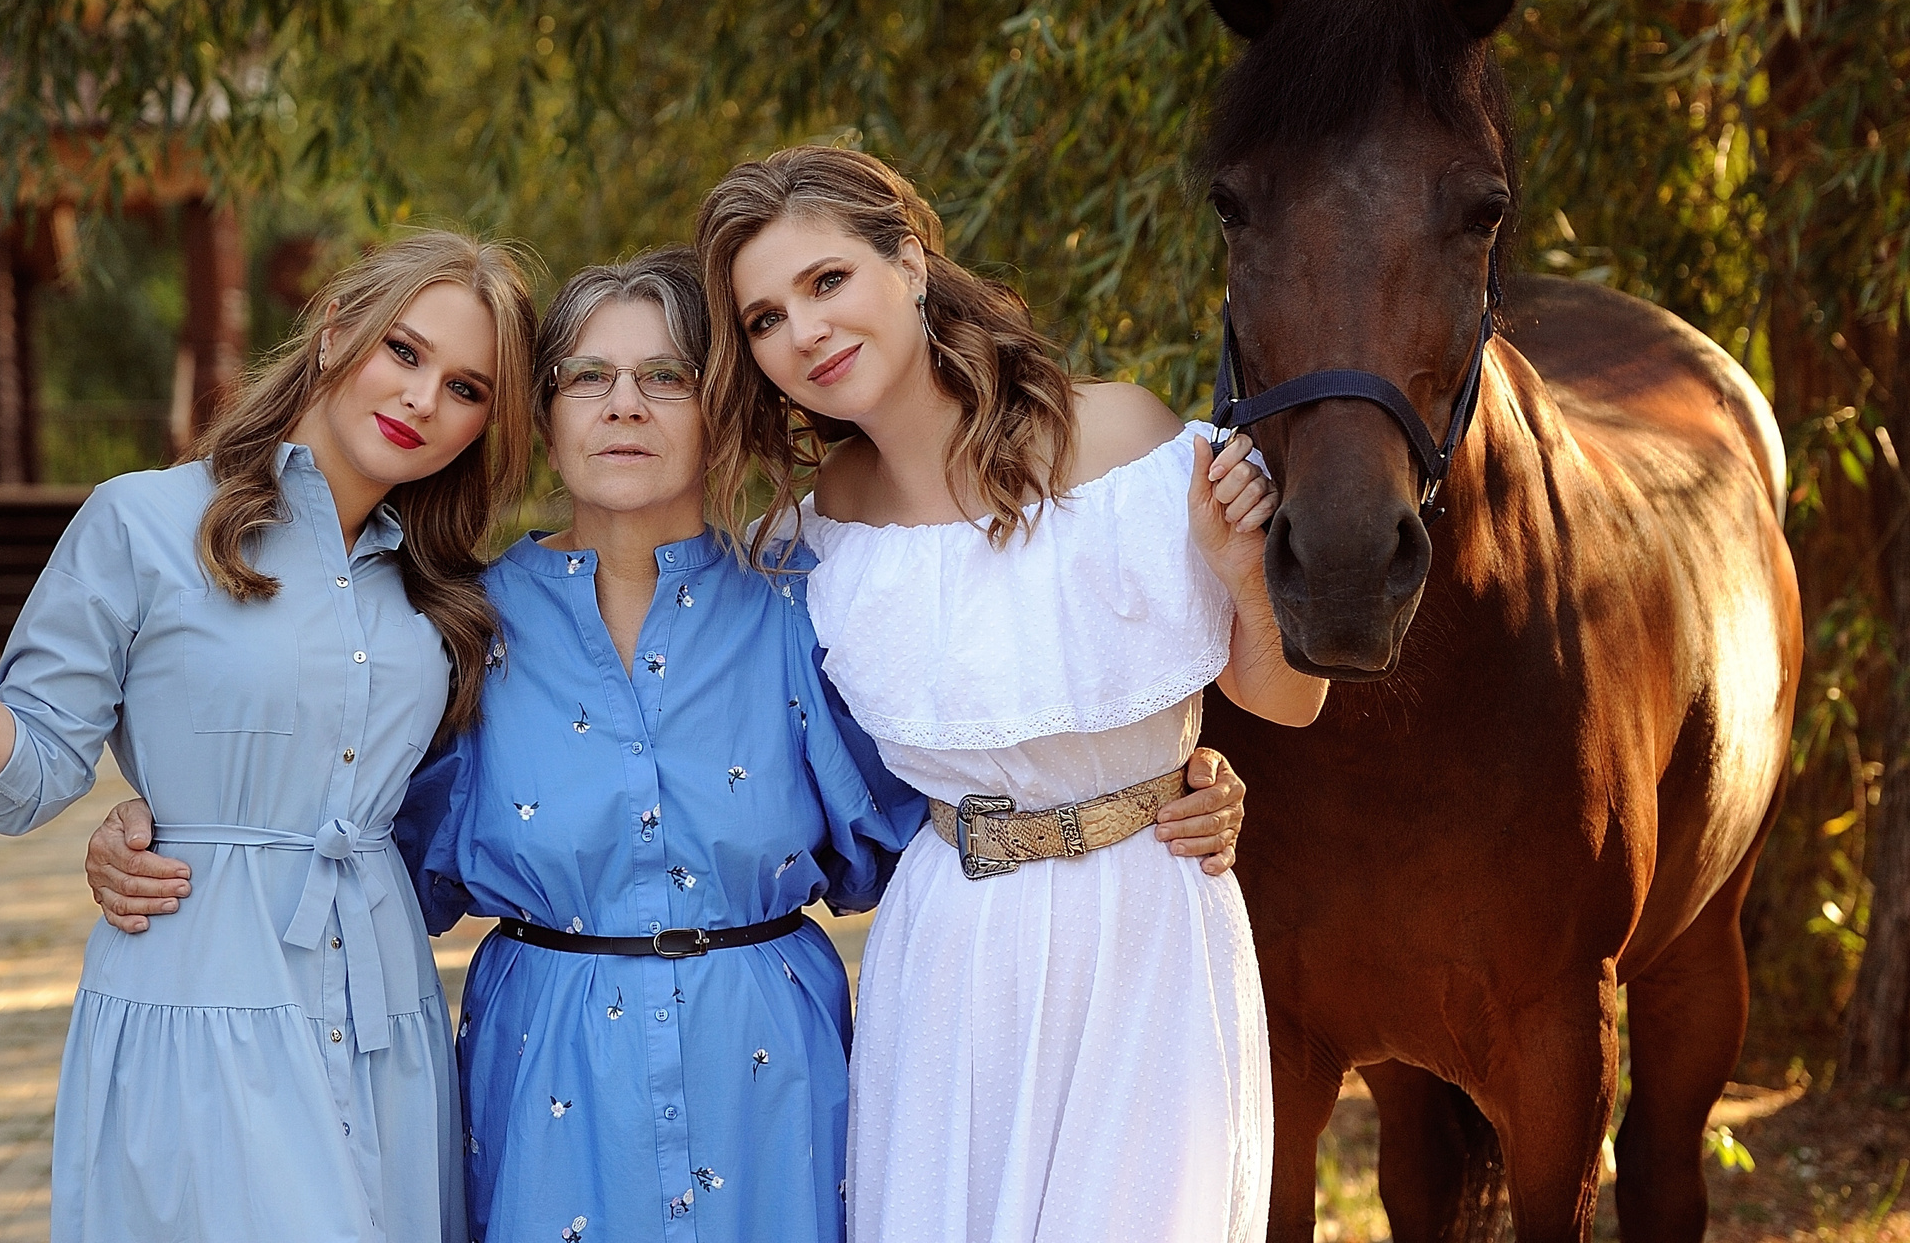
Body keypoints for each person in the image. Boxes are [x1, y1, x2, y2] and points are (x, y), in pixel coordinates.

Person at [84, 249, 1259, 1242]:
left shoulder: (815, 601)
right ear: (541, 414)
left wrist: (1160, 785)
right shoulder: (461, 624)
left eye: (664, 378)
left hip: (774, 1080)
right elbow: (334, 825)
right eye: (584, 377)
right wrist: (158, 822)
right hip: (544, 1072)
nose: (623, 406)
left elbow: (971, 786)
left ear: (722, 409)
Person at [0, 230, 539, 1243]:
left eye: (468, 387)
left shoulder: (446, 592)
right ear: (335, 333)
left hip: (386, 1023)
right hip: (202, 1000)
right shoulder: (142, 524)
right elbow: (17, 786)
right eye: (404, 352)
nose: (424, 399)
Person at [695, 146, 1318, 1243]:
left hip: (1149, 919)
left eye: (827, 281)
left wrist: (1239, 586)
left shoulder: (1123, 440)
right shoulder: (809, 541)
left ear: (912, 264)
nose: (804, 331)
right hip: (949, 948)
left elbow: (1286, 701)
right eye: (763, 318)